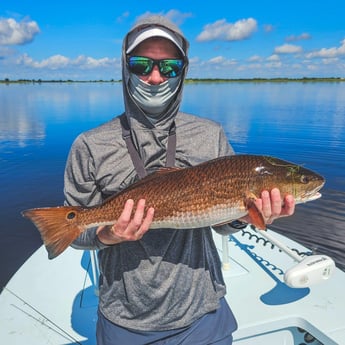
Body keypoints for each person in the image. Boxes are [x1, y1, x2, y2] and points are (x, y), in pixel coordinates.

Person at [64, 15, 295, 345]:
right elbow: (75, 233)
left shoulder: (209, 134)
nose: (155, 77)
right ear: (124, 67)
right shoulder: (90, 145)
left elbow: (222, 223)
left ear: (183, 71)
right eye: (141, 64)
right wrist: (110, 234)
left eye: (169, 67)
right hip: (124, 320)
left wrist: (247, 217)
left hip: (204, 315)